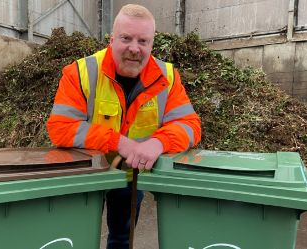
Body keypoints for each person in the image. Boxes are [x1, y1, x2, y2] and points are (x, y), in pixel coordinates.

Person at [46, 4, 201, 249]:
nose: (134, 48)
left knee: (121, 239)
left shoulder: (167, 77)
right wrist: (119, 143)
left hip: (131, 176)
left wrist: (158, 143)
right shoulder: (81, 72)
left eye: (143, 41)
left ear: (152, 44)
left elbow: (190, 125)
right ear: (111, 40)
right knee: (76, 238)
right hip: (87, 173)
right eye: (126, 38)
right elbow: (61, 127)